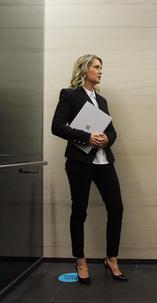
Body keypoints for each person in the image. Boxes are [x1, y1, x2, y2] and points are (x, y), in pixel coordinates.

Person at [51, 54, 128, 284]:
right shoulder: (70, 95)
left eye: (101, 67)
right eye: (96, 67)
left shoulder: (102, 100)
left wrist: (106, 139)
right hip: (79, 162)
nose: (100, 71)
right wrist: (87, 137)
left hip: (104, 160)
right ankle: (81, 259)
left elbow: (112, 131)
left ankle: (111, 258)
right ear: (84, 70)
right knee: (80, 210)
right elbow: (57, 126)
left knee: (117, 207)